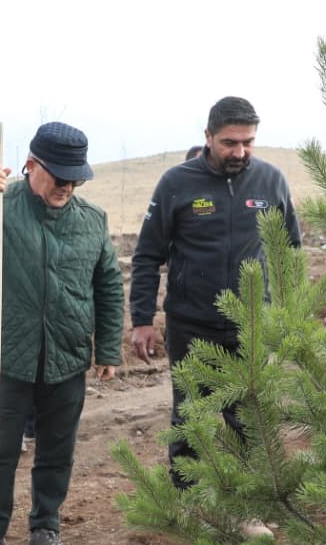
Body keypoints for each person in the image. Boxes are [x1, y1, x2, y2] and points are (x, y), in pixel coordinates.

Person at [0, 122, 123, 545]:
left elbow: (109, 285)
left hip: (67, 355)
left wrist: (109, 349)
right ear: (31, 166)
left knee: (57, 449)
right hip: (11, 356)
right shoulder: (2, 207)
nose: (66, 186)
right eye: (58, 175)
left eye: (74, 177)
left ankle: (45, 530)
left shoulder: (92, 221)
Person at [129, 96, 301, 485]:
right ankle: (187, 502)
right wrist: (142, 319)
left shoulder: (271, 181)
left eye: (248, 142)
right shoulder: (177, 183)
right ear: (208, 137)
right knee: (190, 416)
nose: (239, 151)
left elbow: (290, 254)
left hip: (251, 324)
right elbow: (147, 256)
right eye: (229, 143)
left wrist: (288, 317)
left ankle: (247, 504)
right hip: (191, 323)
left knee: (249, 418)